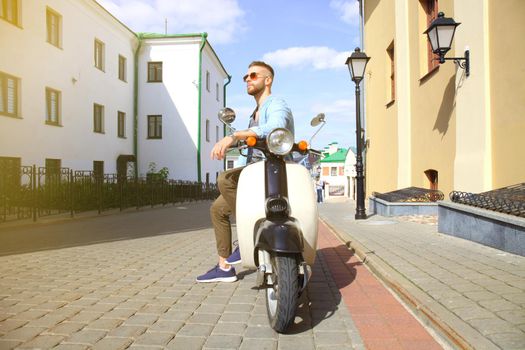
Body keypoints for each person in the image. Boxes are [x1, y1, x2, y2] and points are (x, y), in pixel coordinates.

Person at [196, 61, 295, 283]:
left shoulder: (276, 104)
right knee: (217, 209)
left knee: (225, 179)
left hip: (274, 170)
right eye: (245, 77)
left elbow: (276, 127)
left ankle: (249, 235)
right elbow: (249, 149)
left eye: (253, 75)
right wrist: (237, 152)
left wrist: (234, 136)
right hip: (255, 172)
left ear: (267, 80)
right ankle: (224, 268)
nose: (248, 79)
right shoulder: (255, 113)